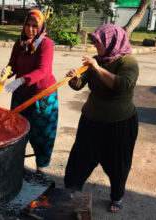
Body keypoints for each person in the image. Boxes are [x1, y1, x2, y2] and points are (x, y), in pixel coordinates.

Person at [64, 24, 139, 213]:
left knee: (118, 163)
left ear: (111, 41)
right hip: (91, 121)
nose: (95, 46)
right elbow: (80, 84)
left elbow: (123, 84)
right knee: (79, 160)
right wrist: (75, 80)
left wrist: (96, 68)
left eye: (98, 43)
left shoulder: (128, 62)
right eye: (94, 42)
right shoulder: (97, 60)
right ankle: (72, 192)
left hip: (119, 125)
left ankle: (117, 196)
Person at [3, 9, 57, 177]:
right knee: (16, 131)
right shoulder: (19, 43)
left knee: (42, 134)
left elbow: (43, 71)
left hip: (42, 96)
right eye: (28, 25)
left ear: (41, 27)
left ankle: (40, 171)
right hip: (21, 94)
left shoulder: (46, 44)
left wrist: (21, 80)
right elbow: (13, 64)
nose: (31, 29)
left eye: (35, 26)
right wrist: (8, 71)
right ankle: (17, 167)